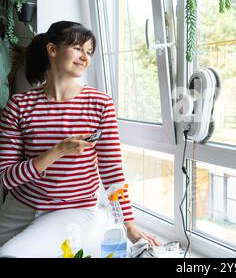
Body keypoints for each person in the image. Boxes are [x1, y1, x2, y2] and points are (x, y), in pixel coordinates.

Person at [0, 21, 160, 257]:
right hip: (19, 207)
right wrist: (57, 151)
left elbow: (112, 170)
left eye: (89, 52)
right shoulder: (19, 105)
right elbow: (6, 178)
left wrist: (128, 223)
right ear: (52, 50)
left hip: (71, 210)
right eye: (78, 48)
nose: (85, 57)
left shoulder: (100, 103)